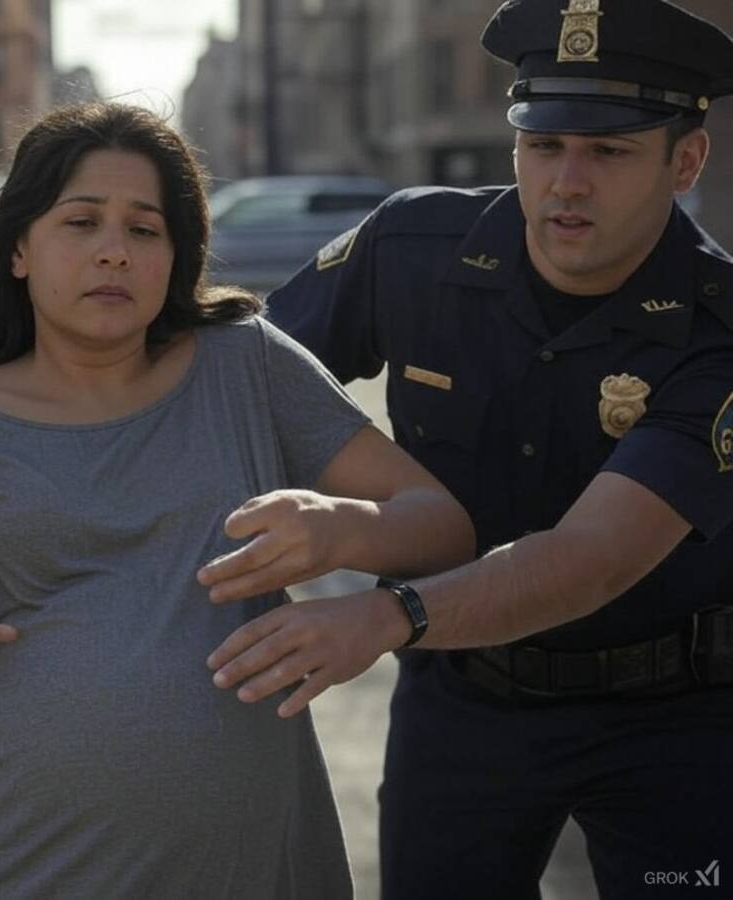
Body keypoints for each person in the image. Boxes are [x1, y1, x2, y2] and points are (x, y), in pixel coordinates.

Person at [0, 101, 475, 898]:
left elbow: (444, 528)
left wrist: (342, 530)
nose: (115, 252)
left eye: (145, 230)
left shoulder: (246, 366)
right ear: (18, 250)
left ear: (178, 257)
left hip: (242, 864)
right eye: (81, 223)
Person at [201, 1, 733, 897]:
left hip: (671, 714)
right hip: (464, 700)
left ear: (685, 162)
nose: (566, 182)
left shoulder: (718, 326)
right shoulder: (410, 247)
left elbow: (587, 561)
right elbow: (228, 390)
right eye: (543, 145)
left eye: (608, 153)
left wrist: (382, 616)